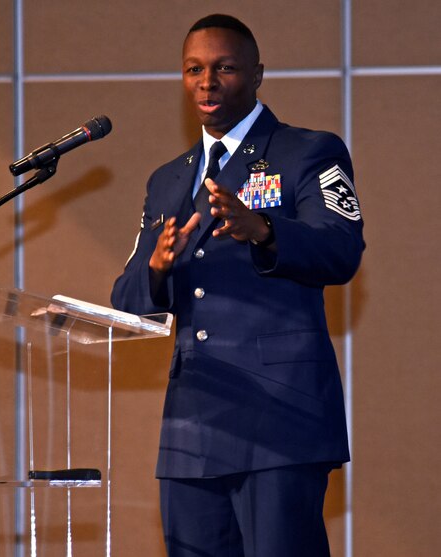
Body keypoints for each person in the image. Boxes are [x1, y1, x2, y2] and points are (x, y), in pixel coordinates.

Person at [111, 14, 364, 557]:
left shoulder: (308, 151)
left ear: (256, 74)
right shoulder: (168, 179)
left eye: (224, 68)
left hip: (280, 416)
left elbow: (341, 249)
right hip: (192, 426)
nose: (207, 82)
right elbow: (126, 299)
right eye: (193, 69)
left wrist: (266, 231)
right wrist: (156, 268)